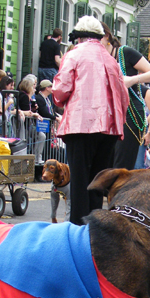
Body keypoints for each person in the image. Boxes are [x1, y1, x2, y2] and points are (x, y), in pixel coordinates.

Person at [52, 16, 128, 225]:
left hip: (80, 125)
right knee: (99, 181)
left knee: (79, 181)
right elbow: (124, 98)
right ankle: (94, 228)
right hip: (109, 128)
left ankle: (77, 229)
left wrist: (59, 100)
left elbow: (60, 91)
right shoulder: (110, 59)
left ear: (78, 36)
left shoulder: (73, 55)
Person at [103, 22, 150, 170]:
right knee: (106, 164)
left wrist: (132, 80)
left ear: (106, 37)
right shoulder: (99, 58)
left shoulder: (124, 53)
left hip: (130, 114)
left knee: (121, 165)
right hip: (109, 115)